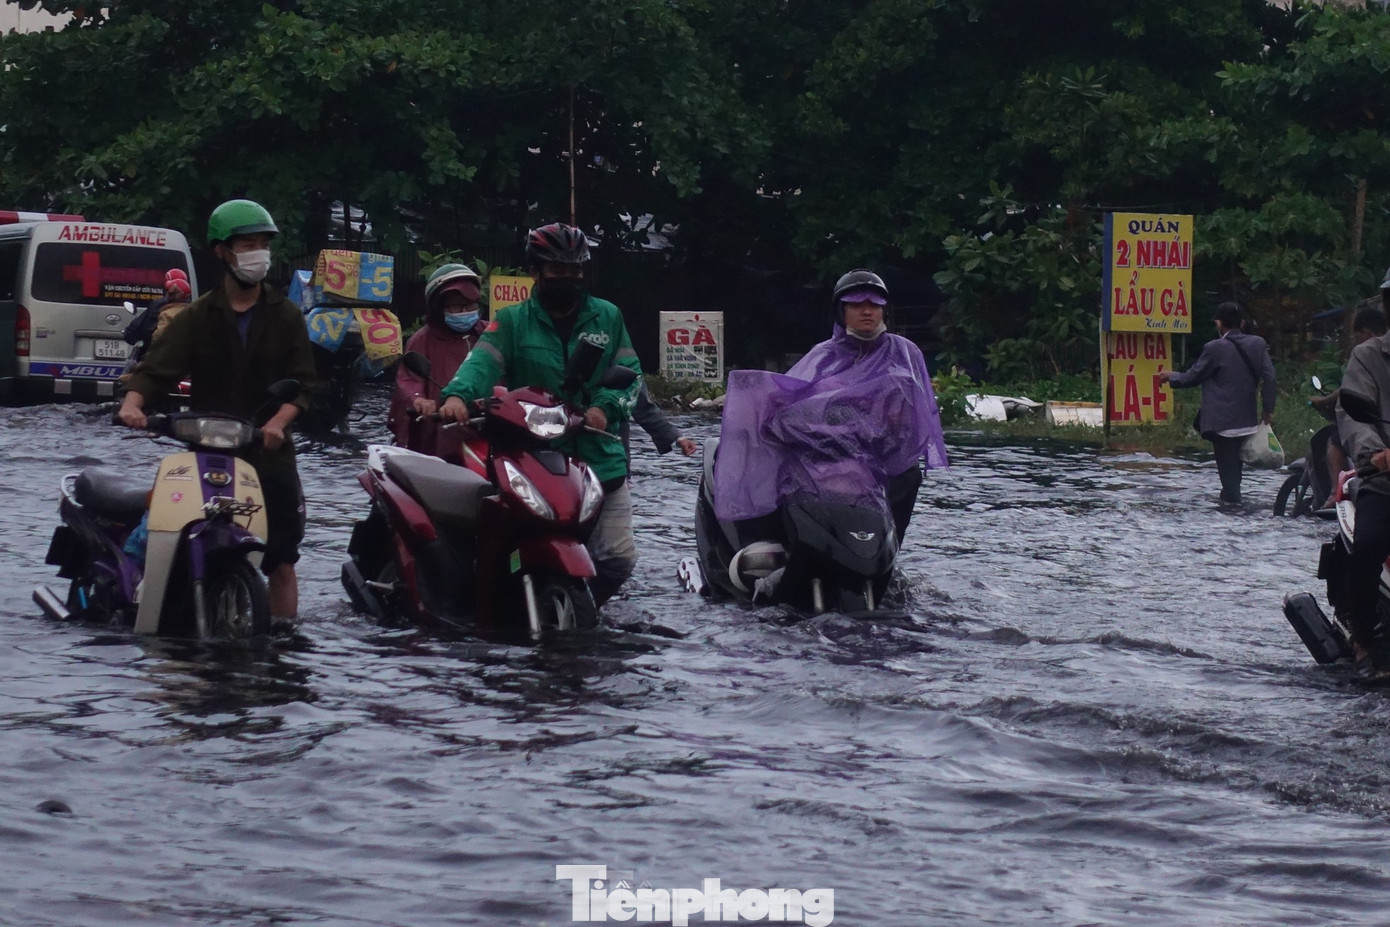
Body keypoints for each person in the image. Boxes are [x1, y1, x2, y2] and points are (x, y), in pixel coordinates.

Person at [117, 199, 317, 621]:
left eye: (263, 243)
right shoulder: (197, 316)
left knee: (281, 560)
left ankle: (282, 642)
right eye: (248, 243)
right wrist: (133, 405)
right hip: (208, 450)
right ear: (222, 252)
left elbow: (306, 383)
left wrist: (279, 423)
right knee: (171, 534)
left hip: (269, 453)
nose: (258, 253)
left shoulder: (287, 316)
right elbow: (156, 368)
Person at [437, 222, 642, 606]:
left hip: (600, 456)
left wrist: (603, 408)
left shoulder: (608, 317)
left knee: (618, 557)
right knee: (498, 544)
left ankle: (587, 610)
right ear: (536, 272)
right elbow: (481, 362)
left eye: (575, 271)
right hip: (533, 457)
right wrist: (457, 397)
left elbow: (631, 378)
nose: (568, 278)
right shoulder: (513, 321)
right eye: (558, 270)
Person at [712, 269, 948, 544]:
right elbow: (791, 399)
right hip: (829, 451)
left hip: (882, 455)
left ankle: (888, 549)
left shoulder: (904, 352)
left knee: (909, 477)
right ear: (841, 311)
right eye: (857, 305)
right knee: (783, 470)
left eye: (874, 305)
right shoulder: (823, 356)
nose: (867, 312)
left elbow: (917, 412)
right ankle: (778, 546)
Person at [1157, 301, 1276, 505]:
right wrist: (1267, 409)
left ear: (1219, 324)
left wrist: (1171, 376)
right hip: (1247, 422)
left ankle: (1231, 516)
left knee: (1229, 481)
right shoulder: (1257, 344)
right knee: (1235, 475)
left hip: (1222, 425)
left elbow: (1193, 377)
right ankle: (1235, 506)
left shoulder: (1214, 348)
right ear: (1243, 323)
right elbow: (1270, 378)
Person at [1336, 270, 1390, 671]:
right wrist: (1377, 453)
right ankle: (1363, 638)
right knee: (1371, 542)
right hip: (1385, 477)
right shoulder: (1368, 357)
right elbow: (1353, 415)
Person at [388, 263, 486, 454]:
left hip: (489, 427)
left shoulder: (488, 334)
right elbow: (408, 381)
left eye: (470, 305)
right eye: (457, 306)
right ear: (438, 307)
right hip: (440, 433)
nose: (465, 311)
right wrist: (419, 400)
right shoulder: (422, 340)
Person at [1310, 305, 1387, 490]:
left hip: (1377, 428)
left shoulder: (1368, 354)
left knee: (1335, 442)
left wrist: (1322, 401)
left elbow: (1347, 392)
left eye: (1357, 335)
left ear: (1366, 333)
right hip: (1375, 438)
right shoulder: (1366, 355)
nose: (1355, 340)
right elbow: (1351, 390)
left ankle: (1335, 491)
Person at [120, 269, 193, 382]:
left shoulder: (164, 312)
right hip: (183, 365)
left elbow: (157, 337)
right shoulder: (194, 310)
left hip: (158, 362)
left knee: (128, 385)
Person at [623, 383, 697, 459]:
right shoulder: (629, 375)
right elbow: (644, 410)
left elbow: (643, 408)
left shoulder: (629, 376)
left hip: (616, 450)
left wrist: (678, 437)